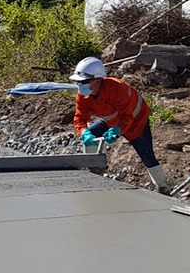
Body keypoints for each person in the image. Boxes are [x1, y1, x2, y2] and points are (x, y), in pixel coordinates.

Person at [68, 55, 170, 194]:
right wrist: (83, 132)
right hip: (111, 120)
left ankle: (163, 187)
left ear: (97, 81)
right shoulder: (83, 95)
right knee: (90, 136)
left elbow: (127, 116)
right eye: (78, 82)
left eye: (84, 82)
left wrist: (118, 130)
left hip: (136, 120)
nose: (80, 85)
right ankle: (94, 172)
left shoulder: (118, 89)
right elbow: (80, 118)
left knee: (147, 155)